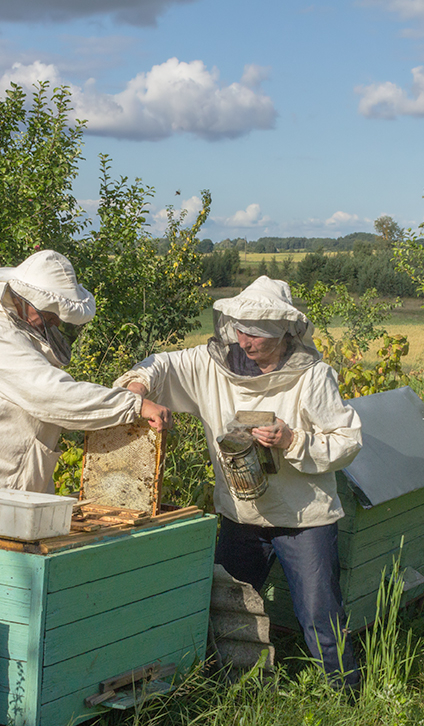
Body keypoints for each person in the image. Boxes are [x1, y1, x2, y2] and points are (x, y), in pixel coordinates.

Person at [114, 276, 362, 688]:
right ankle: (222, 690)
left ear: (282, 335)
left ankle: (347, 699)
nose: (244, 342)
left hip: (304, 519)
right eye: (239, 331)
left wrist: (291, 439)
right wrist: (138, 390)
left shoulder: (313, 376)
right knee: (225, 608)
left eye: (255, 337)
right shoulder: (209, 366)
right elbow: (159, 365)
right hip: (241, 516)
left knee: (320, 616)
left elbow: (348, 442)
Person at [0, 249, 172, 493]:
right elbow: (53, 395)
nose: (56, 321)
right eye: (50, 313)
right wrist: (134, 405)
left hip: (7, 485)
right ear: (23, 298)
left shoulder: (20, 330)